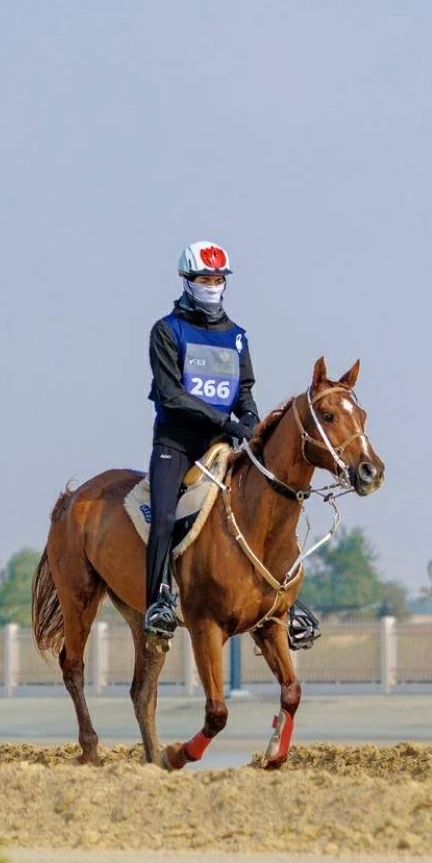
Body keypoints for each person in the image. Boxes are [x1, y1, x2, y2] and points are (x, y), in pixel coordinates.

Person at [143, 241, 259, 640]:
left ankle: (282, 600)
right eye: (204, 279)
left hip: (221, 446)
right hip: (176, 444)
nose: (212, 285)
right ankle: (157, 600)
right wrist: (227, 424)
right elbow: (173, 396)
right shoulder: (166, 331)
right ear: (186, 280)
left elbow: (244, 390)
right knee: (161, 518)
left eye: (217, 279)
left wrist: (250, 421)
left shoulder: (237, 337)